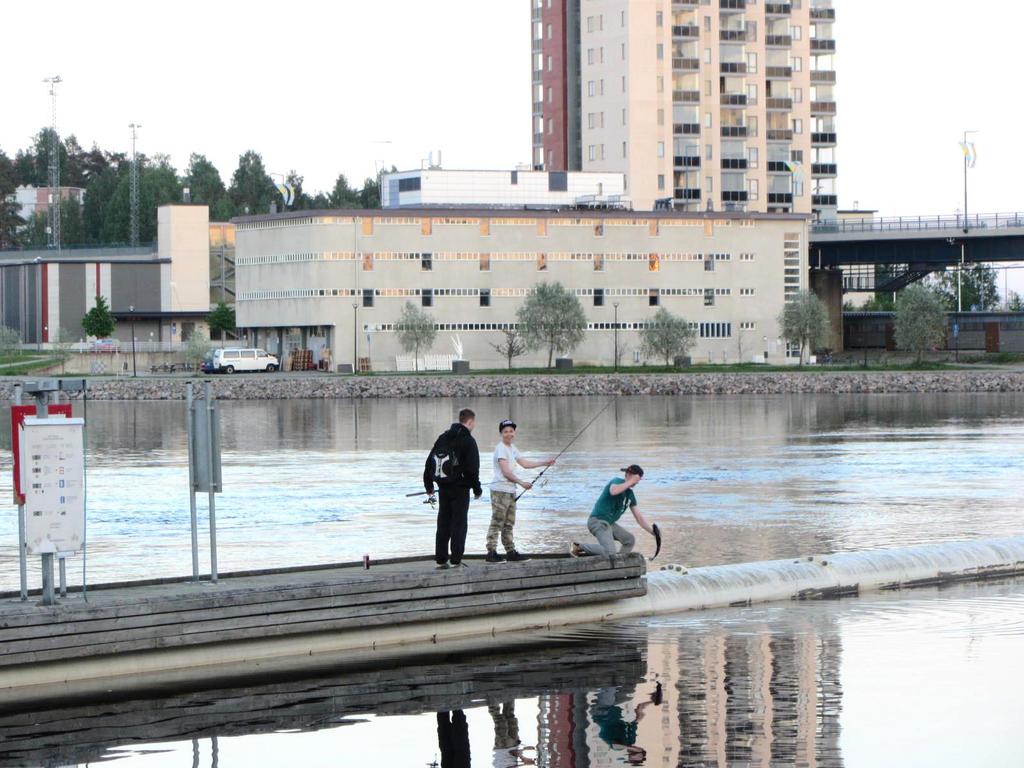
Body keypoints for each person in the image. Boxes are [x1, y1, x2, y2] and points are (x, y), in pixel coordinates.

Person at [486, 419, 555, 564]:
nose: (509, 434)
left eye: (511, 431)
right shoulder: (501, 448)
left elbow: (524, 463)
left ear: (514, 433)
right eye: (505, 431)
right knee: (497, 522)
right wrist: (522, 483)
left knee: (509, 523)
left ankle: (510, 552)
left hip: (510, 490)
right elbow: (505, 472)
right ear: (501, 433)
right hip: (500, 490)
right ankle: (491, 552)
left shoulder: (512, 448)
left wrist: (544, 462)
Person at [424, 408, 483, 569]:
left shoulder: (443, 437)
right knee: (459, 523)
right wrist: (477, 489)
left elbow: (429, 461)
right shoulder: (468, 440)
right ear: (470, 422)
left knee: (443, 522)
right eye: (474, 423)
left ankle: (441, 558)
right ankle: (456, 559)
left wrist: (428, 485)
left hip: (442, 487)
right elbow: (472, 469)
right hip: (461, 489)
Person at [571, 465, 655, 560]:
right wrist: (631, 481)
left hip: (609, 524)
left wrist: (653, 533)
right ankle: (578, 546)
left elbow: (639, 518)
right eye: (636, 478)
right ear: (628, 474)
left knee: (629, 540)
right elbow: (613, 491)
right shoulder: (617, 481)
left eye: (638, 479)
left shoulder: (630, 495)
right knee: (610, 552)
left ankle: (619, 562)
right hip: (598, 521)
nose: (637, 482)